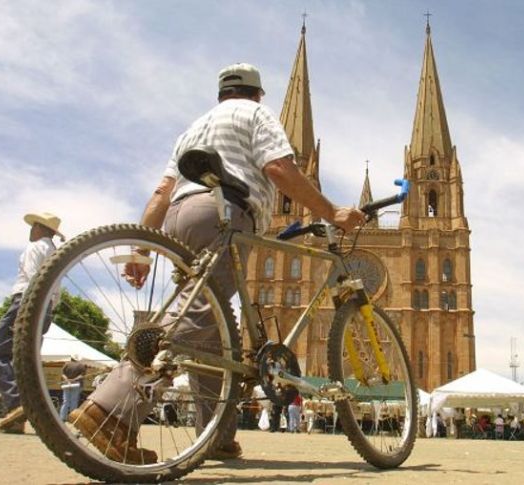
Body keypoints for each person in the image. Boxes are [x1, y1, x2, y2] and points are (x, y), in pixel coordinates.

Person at [67, 62, 366, 464]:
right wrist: (331, 211)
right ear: (257, 94)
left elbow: (161, 192)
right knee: (196, 315)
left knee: (213, 328)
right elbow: (279, 168)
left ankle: (216, 434)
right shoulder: (256, 114)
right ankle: (111, 410)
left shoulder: (195, 128)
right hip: (223, 213)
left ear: (222, 93)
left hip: (179, 217)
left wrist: (142, 249)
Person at [0, 212, 64, 433]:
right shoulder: (57, 253)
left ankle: (15, 404)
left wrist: (26, 310)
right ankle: (18, 418)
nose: (31, 230)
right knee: (26, 360)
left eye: (33, 226)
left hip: (27, 301)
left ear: (40, 228)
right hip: (46, 306)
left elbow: (33, 279)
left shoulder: (35, 248)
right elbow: (56, 289)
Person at [59, 355, 87, 421]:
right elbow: (81, 375)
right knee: (74, 401)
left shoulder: (66, 364)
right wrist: (74, 379)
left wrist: (67, 380)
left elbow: (63, 374)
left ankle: (62, 418)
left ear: (71, 358)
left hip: (66, 384)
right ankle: (72, 418)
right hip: (76, 384)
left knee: (65, 401)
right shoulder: (81, 365)